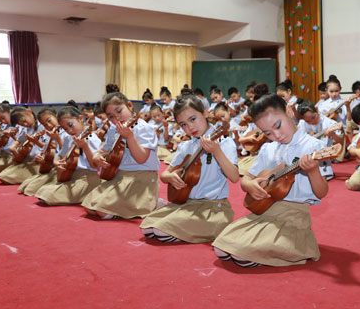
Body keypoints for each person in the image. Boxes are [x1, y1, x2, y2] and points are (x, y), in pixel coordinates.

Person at [212, 93, 329, 268]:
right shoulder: (268, 148)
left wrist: (312, 171)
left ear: (289, 111)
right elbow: (246, 180)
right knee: (221, 246)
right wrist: (250, 185)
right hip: (265, 210)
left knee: (240, 251)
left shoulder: (312, 146)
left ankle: (296, 247)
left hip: (293, 216)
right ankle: (261, 247)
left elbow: (322, 192)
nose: (276, 135)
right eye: (268, 132)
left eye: (278, 125)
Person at [140, 96, 239, 243]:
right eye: (183, 124)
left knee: (160, 231)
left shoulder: (224, 142)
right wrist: (170, 177)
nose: (190, 127)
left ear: (205, 113)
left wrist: (217, 152)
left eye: (193, 119)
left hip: (213, 208)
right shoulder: (186, 146)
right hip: (187, 203)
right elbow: (165, 174)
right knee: (147, 227)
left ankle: (207, 226)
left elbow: (235, 177)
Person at [82, 92, 160, 219]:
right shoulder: (113, 130)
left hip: (141, 177)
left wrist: (130, 137)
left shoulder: (143, 128)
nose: (117, 118)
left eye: (119, 111)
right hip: (120, 177)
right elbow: (103, 150)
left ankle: (150, 201)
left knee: (101, 210)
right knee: (89, 206)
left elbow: (141, 158)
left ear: (129, 106)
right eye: (111, 116)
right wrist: (97, 157)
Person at [33, 106, 102, 205]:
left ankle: (87, 193)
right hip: (71, 175)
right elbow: (61, 155)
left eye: (71, 125)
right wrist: (57, 162)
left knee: (47, 195)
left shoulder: (91, 138)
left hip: (87, 178)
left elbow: (95, 165)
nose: (69, 130)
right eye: (65, 129)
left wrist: (85, 146)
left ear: (80, 119)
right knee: (42, 190)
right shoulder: (69, 138)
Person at [297, 100, 343, 180]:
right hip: (307, 154)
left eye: (313, 117)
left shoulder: (329, 123)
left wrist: (332, 134)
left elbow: (340, 141)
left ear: (317, 109)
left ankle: (325, 173)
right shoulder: (302, 123)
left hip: (324, 154)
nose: (312, 121)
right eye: (308, 121)